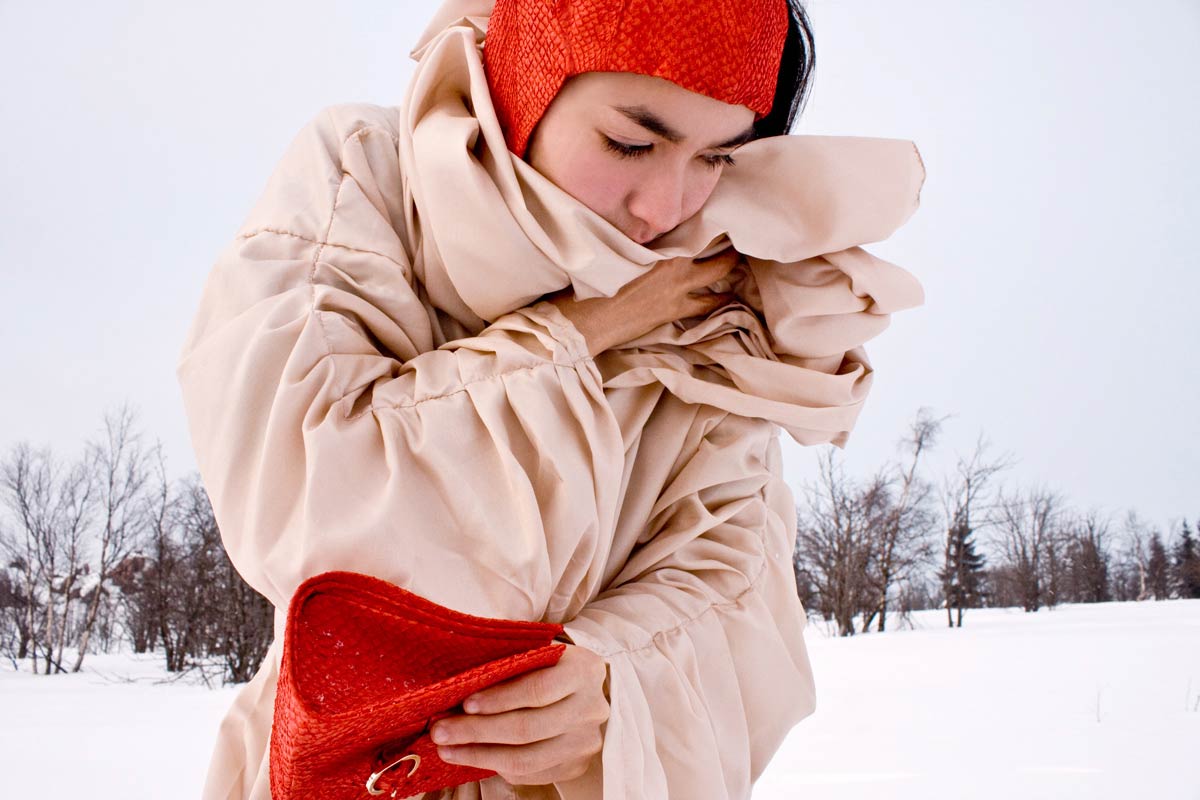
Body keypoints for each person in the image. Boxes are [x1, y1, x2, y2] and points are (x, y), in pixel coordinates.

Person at [177, 0, 926, 798]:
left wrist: (612, 687)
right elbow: (317, 516)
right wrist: (577, 333)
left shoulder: (713, 292)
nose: (666, 208)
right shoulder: (368, 183)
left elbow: (732, 578)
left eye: (717, 158)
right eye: (631, 142)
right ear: (528, 85)